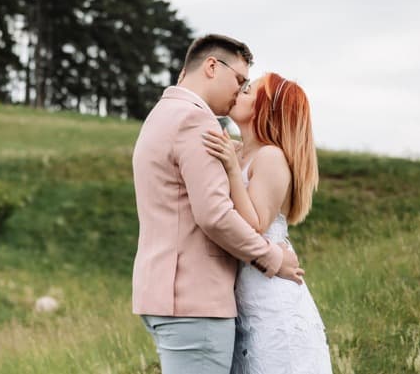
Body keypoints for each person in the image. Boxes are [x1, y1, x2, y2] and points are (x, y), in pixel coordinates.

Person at [131, 34, 304, 374]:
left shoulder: (162, 113)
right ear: (212, 66)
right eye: (240, 80)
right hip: (195, 302)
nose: (239, 91)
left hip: (165, 295)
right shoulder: (195, 120)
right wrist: (272, 258)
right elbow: (214, 215)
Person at [203, 72, 333, 373]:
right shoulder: (241, 150)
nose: (240, 91)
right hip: (248, 294)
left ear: (266, 109)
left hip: (271, 299)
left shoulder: (271, 156)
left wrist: (233, 171)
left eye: (250, 91)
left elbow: (255, 224)